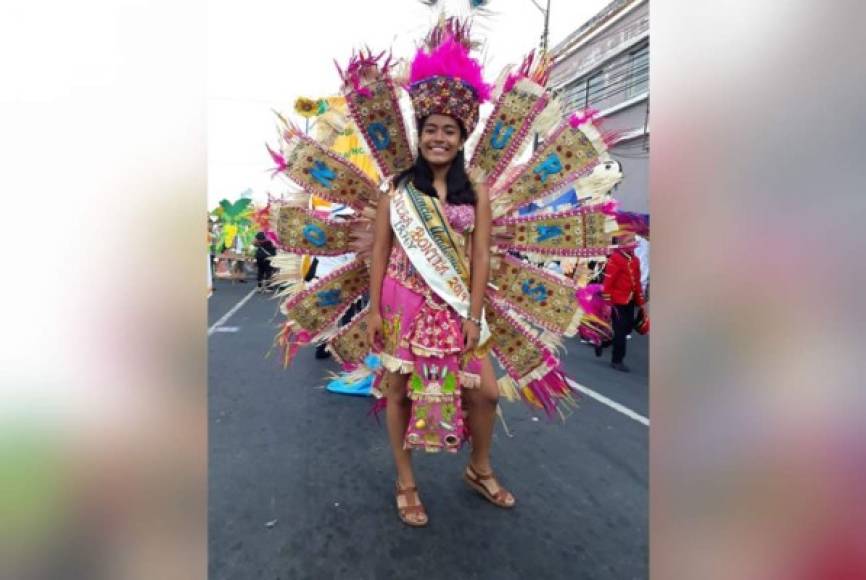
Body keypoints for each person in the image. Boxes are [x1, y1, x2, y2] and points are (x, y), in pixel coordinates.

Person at [601, 232, 646, 372]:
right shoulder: (615, 259)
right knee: (621, 332)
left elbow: (637, 282)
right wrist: (607, 303)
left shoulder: (635, 260)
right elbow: (608, 282)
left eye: (633, 240)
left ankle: (605, 341)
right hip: (617, 301)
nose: (633, 243)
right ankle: (617, 360)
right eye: (629, 241)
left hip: (630, 300)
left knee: (627, 328)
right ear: (622, 244)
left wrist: (641, 302)